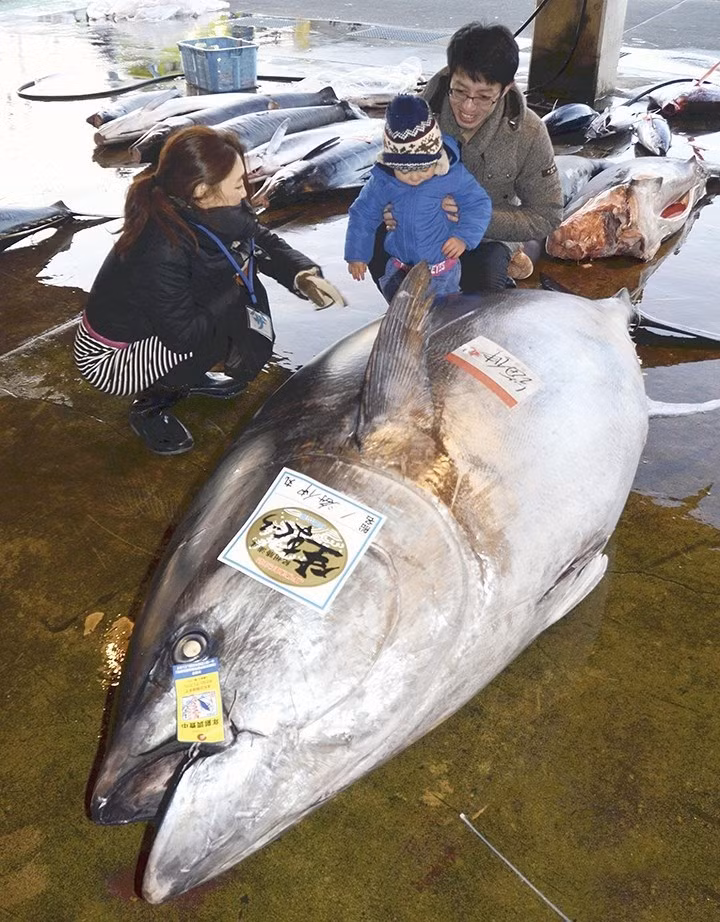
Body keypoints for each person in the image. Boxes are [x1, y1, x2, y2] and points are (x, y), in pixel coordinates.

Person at [74, 125, 345, 456]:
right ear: (202, 191)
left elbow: (259, 239)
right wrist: (234, 288)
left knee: (231, 306)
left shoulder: (202, 209)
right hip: (111, 357)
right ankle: (150, 407)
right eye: (236, 184)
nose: (245, 193)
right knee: (208, 335)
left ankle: (188, 376)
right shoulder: (160, 247)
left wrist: (301, 274)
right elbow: (183, 336)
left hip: (158, 327)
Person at [370, 23, 564, 292]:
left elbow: (547, 215)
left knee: (484, 288)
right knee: (372, 243)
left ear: (505, 89)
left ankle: (511, 262)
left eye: (484, 97)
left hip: (485, 239)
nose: (468, 107)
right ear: (450, 75)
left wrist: (476, 216)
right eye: (459, 91)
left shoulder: (529, 133)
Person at [345, 94, 492, 303]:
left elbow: (478, 203)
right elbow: (362, 213)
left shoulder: (452, 175)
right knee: (401, 317)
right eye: (404, 170)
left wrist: (463, 237)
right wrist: (357, 254)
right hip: (399, 269)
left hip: (441, 272)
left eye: (423, 168)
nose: (414, 177)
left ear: (435, 156)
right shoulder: (383, 181)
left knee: (441, 318)